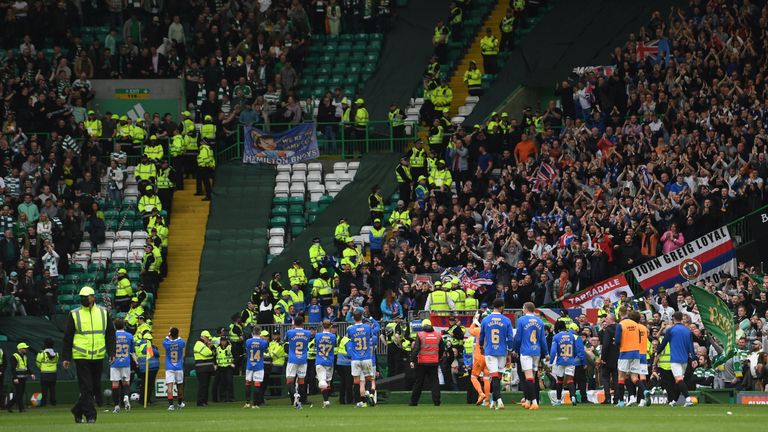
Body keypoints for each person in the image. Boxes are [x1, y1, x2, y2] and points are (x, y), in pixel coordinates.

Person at [62, 286, 116, 424]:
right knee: (86, 387)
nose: (83, 299)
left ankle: (77, 410)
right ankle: (91, 415)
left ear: (93, 297)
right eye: (81, 297)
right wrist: (66, 357)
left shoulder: (103, 313)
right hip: (81, 356)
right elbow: (67, 337)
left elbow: (110, 334)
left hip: (98, 355)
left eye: (86, 297)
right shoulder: (75, 314)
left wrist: (112, 352)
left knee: (94, 387)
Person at [512, 301, 548, 410]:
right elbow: (542, 339)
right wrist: (546, 353)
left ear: (526, 309)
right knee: (533, 376)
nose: (522, 310)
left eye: (523, 308)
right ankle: (528, 401)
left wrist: (515, 350)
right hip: (536, 351)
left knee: (529, 378)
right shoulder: (540, 321)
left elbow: (518, 338)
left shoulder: (522, 320)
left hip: (526, 351)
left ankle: (534, 402)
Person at [479, 298, 514, 410]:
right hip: (502, 351)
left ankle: (497, 400)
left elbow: (481, 336)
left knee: (494, 376)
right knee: (497, 376)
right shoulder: (506, 320)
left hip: (490, 351)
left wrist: (480, 346)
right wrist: (509, 351)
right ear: (502, 307)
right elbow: (510, 338)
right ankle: (496, 401)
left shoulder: (485, 320)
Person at [657, 312, 696, 407]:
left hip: (675, 359)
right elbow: (691, 346)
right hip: (684, 359)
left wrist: (657, 352)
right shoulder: (687, 331)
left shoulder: (671, 330)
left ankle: (688, 399)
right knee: (679, 380)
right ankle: (674, 400)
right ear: (682, 318)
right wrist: (694, 358)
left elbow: (664, 343)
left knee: (678, 380)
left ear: (674, 319)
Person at [409, 319, 445, 406]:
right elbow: (442, 349)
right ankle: (437, 401)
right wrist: (438, 358)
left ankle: (414, 402)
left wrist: (412, 359)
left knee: (419, 383)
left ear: (423, 326)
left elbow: (416, 348)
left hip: (422, 363)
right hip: (434, 362)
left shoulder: (420, 335)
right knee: (435, 382)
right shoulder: (438, 335)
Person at [549, 320, 584, 405]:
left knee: (559, 381)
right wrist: (572, 357)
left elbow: (553, 351)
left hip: (560, 361)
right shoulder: (572, 336)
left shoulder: (556, 337)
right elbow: (576, 349)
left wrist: (550, 361)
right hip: (570, 360)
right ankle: (573, 397)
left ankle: (558, 401)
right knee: (570, 380)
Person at [347, 309, 376, 407]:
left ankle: (358, 401)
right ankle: (368, 392)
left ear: (353, 318)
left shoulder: (350, 328)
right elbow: (371, 336)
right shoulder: (367, 327)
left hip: (355, 358)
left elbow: (349, 338)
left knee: (356, 380)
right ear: (362, 317)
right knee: (368, 378)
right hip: (367, 357)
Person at [286, 315, 313, 409]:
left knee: (289, 381)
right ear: (303, 323)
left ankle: (294, 395)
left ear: (294, 323)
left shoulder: (289, 332)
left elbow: (287, 339)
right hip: (303, 359)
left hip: (292, 359)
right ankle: (300, 401)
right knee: (301, 381)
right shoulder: (308, 333)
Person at [110, 318, 136, 413]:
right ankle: (126, 396)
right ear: (124, 326)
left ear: (115, 326)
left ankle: (116, 406)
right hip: (125, 362)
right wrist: (136, 361)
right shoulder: (129, 336)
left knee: (115, 384)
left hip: (114, 362)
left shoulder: (112, 336)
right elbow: (133, 351)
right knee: (126, 383)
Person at [467, 313, 491, 405]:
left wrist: (474, 321)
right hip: (489, 356)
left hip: (479, 356)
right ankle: (487, 401)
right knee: (486, 378)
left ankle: (481, 394)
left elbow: (470, 330)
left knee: (473, 377)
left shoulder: (478, 330)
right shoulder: (491, 329)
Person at [244, 328, 270, 408]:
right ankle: (255, 404)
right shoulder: (263, 342)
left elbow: (247, 349)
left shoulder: (248, 341)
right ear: (260, 333)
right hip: (259, 365)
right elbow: (265, 350)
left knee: (248, 383)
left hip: (250, 365)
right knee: (257, 384)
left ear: (252, 333)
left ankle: (247, 403)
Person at [315, 319, 338, 408]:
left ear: (322, 326)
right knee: (327, 382)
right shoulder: (333, 336)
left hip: (320, 360)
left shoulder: (317, 335)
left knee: (322, 381)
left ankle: (326, 400)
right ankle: (326, 400)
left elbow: (316, 344)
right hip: (329, 360)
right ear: (330, 326)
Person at [163, 327, 186, 410]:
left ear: (170, 335)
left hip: (169, 367)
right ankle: (179, 404)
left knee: (170, 386)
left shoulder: (166, 343)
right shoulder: (181, 342)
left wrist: (169, 334)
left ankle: (171, 405)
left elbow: (166, 339)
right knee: (179, 386)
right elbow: (181, 341)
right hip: (179, 367)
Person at [7, 342, 34, 413]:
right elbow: (12, 368)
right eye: (25, 348)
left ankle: (9, 405)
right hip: (17, 378)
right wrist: (15, 378)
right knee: (19, 393)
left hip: (23, 378)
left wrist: (31, 374)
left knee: (20, 394)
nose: (26, 350)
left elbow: (26, 367)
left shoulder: (24, 357)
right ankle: (21, 409)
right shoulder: (14, 356)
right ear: (20, 349)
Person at [135, 333, 160, 406]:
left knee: (145, 384)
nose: (150, 340)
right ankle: (145, 400)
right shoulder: (146, 345)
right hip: (150, 367)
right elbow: (156, 353)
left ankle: (144, 400)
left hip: (144, 367)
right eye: (149, 339)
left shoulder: (139, 344)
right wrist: (154, 348)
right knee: (148, 385)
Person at [193, 330, 216, 407]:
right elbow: (208, 353)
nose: (208, 339)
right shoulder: (198, 344)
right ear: (202, 337)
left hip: (207, 368)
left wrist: (210, 347)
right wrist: (209, 347)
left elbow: (214, 353)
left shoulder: (204, 344)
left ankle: (204, 401)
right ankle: (200, 402)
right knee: (203, 385)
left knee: (206, 385)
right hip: (201, 368)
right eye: (207, 337)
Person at [36, 338, 59, 407]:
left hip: (44, 374)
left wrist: (42, 368)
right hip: (53, 373)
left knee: (44, 389)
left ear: (45, 344)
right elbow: (56, 362)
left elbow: (38, 363)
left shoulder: (41, 354)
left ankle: (43, 403)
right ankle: (53, 403)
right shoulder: (56, 354)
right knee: (52, 389)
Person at [336, 329, 353, 405]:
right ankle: (349, 400)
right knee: (348, 382)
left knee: (343, 382)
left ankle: (342, 399)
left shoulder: (344, 339)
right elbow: (349, 354)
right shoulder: (348, 340)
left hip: (340, 363)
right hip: (346, 363)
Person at [214, 337, 235, 402]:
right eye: (222, 341)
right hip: (220, 367)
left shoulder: (230, 347)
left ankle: (230, 397)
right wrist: (215, 364)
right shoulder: (217, 348)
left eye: (224, 341)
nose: (223, 342)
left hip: (228, 367)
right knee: (222, 383)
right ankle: (222, 397)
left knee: (229, 382)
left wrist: (233, 363)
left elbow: (235, 356)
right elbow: (215, 357)